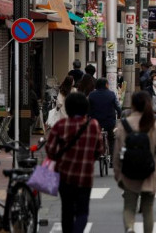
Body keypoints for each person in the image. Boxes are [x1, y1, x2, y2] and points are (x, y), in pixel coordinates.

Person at [114, 91, 156, 233]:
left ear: (132, 105)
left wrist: (118, 174)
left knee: (129, 207)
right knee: (148, 209)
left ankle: (129, 227)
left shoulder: (124, 124)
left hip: (129, 171)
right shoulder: (154, 123)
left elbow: (117, 152)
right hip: (150, 171)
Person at [46, 92, 103, 233]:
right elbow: (100, 150)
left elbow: (51, 150)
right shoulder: (93, 125)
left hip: (65, 176)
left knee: (67, 210)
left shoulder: (60, 125)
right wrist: (88, 159)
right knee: (82, 211)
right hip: (85, 176)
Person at [87, 78, 122, 160]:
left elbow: (88, 108)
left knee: (94, 138)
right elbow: (118, 107)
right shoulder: (111, 94)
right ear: (106, 85)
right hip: (109, 121)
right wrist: (120, 115)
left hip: (95, 122)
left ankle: (96, 154)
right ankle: (112, 159)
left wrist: (88, 118)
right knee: (111, 139)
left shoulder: (92, 94)